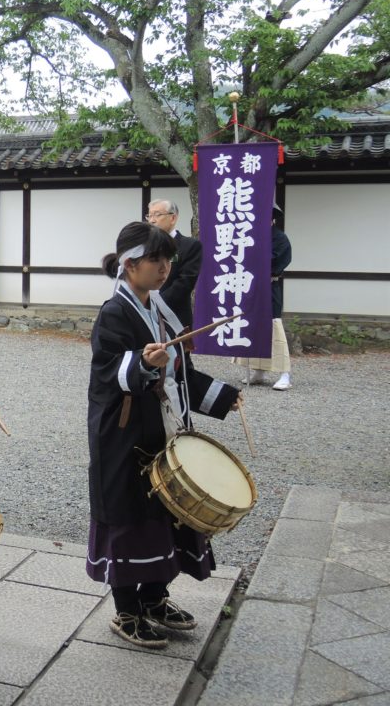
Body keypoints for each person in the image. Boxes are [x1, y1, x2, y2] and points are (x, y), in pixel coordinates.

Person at [87, 221, 241, 649]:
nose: (165, 267)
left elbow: (179, 370)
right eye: (156, 259)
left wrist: (222, 397)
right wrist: (142, 363)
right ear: (129, 265)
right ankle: (127, 610)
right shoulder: (114, 312)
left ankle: (155, 599)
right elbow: (106, 372)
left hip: (160, 428)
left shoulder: (159, 308)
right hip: (124, 434)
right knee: (129, 518)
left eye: (168, 259)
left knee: (165, 514)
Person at [235, 206, 294, 390]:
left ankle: (285, 373)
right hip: (250, 288)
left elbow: (278, 262)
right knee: (252, 326)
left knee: (273, 327)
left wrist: (256, 257)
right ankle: (258, 370)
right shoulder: (249, 236)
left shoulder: (280, 239)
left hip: (269, 287)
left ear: (272, 219)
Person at [147, 200, 202, 330]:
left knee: (175, 351)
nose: (152, 220)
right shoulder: (144, 245)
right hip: (146, 315)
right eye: (149, 215)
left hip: (176, 317)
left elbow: (186, 282)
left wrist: (156, 304)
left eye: (157, 215)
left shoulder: (190, 245)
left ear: (173, 218)